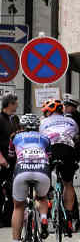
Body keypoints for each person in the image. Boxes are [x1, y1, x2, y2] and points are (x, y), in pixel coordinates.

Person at [8, 113, 51, 242]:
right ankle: (44, 219)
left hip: (22, 171)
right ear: (37, 126)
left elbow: (11, 156)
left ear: (22, 126)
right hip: (42, 171)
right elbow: (48, 156)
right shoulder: (45, 138)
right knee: (42, 197)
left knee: (18, 206)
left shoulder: (15, 138)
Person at [40, 98, 79, 235]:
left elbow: (39, 141)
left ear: (48, 112)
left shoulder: (43, 122)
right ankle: (68, 217)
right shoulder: (71, 121)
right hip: (68, 149)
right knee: (68, 183)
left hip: (52, 149)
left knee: (42, 178)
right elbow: (76, 137)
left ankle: (48, 200)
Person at [0, 93, 19, 228]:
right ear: (9, 104)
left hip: (13, 158)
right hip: (0, 159)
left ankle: (8, 218)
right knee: (0, 190)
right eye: (15, 103)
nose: (17, 105)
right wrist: (0, 157)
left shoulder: (14, 119)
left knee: (12, 189)